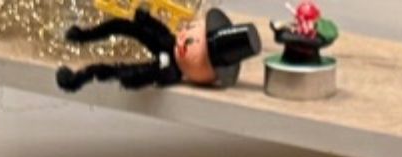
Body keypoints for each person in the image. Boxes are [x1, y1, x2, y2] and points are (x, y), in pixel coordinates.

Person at [58, 6, 262, 90]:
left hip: (160, 66)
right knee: (122, 25)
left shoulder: (171, 72)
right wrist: (146, 20)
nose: (184, 39)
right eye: (189, 30)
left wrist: (156, 73)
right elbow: (161, 32)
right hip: (164, 48)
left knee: (113, 70)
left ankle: (76, 79)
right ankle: (83, 35)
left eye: (193, 46)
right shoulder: (170, 41)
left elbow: (145, 77)